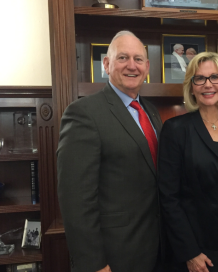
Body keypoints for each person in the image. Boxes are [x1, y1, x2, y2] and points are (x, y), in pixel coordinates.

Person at [57, 30, 164, 272]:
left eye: (138, 59)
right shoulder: (84, 113)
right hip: (113, 258)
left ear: (147, 67)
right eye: (122, 58)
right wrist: (93, 263)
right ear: (106, 64)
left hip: (156, 250)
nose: (132, 66)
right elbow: (76, 200)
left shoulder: (152, 112)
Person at [159, 52, 218, 272]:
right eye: (199, 78)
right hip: (197, 244)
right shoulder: (175, 129)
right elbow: (168, 197)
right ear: (191, 86)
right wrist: (189, 252)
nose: (207, 84)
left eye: (215, 77)